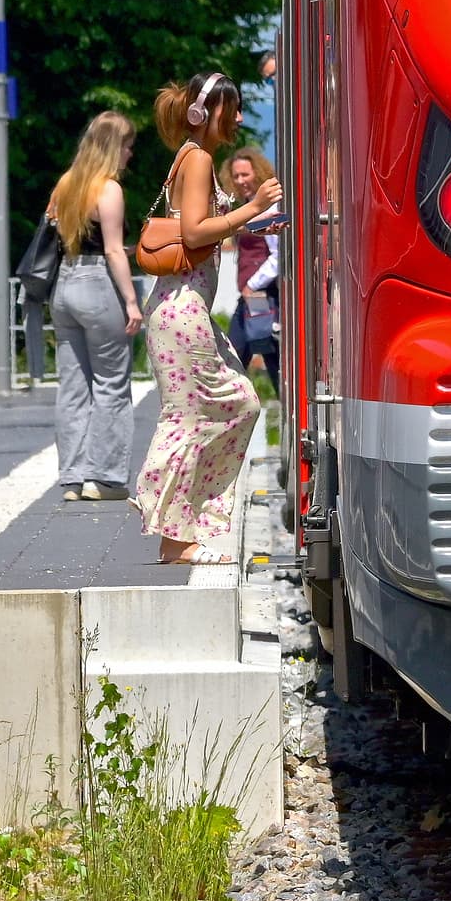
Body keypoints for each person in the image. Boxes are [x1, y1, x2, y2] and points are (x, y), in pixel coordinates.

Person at [132, 73, 273, 563]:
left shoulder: (192, 157)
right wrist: (252, 207)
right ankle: (175, 536)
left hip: (184, 308)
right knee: (191, 416)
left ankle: (183, 522)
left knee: (240, 403)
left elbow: (202, 226)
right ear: (207, 112)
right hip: (181, 308)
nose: (239, 118)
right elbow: (194, 233)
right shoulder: (199, 159)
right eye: (232, 109)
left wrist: (256, 218)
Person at [44, 110, 142, 502]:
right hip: (98, 286)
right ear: (113, 147)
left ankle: (72, 478)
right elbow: (112, 250)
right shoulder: (109, 189)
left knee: (72, 387)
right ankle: (104, 479)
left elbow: (67, 236)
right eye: (128, 146)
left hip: (64, 285)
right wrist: (131, 301)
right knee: (111, 383)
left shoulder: (66, 184)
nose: (130, 154)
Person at [220, 145, 283, 379]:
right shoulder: (248, 208)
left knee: (240, 356)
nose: (240, 180)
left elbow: (278, 255)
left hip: (263, 294)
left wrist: (252, 284)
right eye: (235, 176)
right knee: (245, 356)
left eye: (245, 174)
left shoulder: (270, 207)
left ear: (258, 172)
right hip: (252, 296)